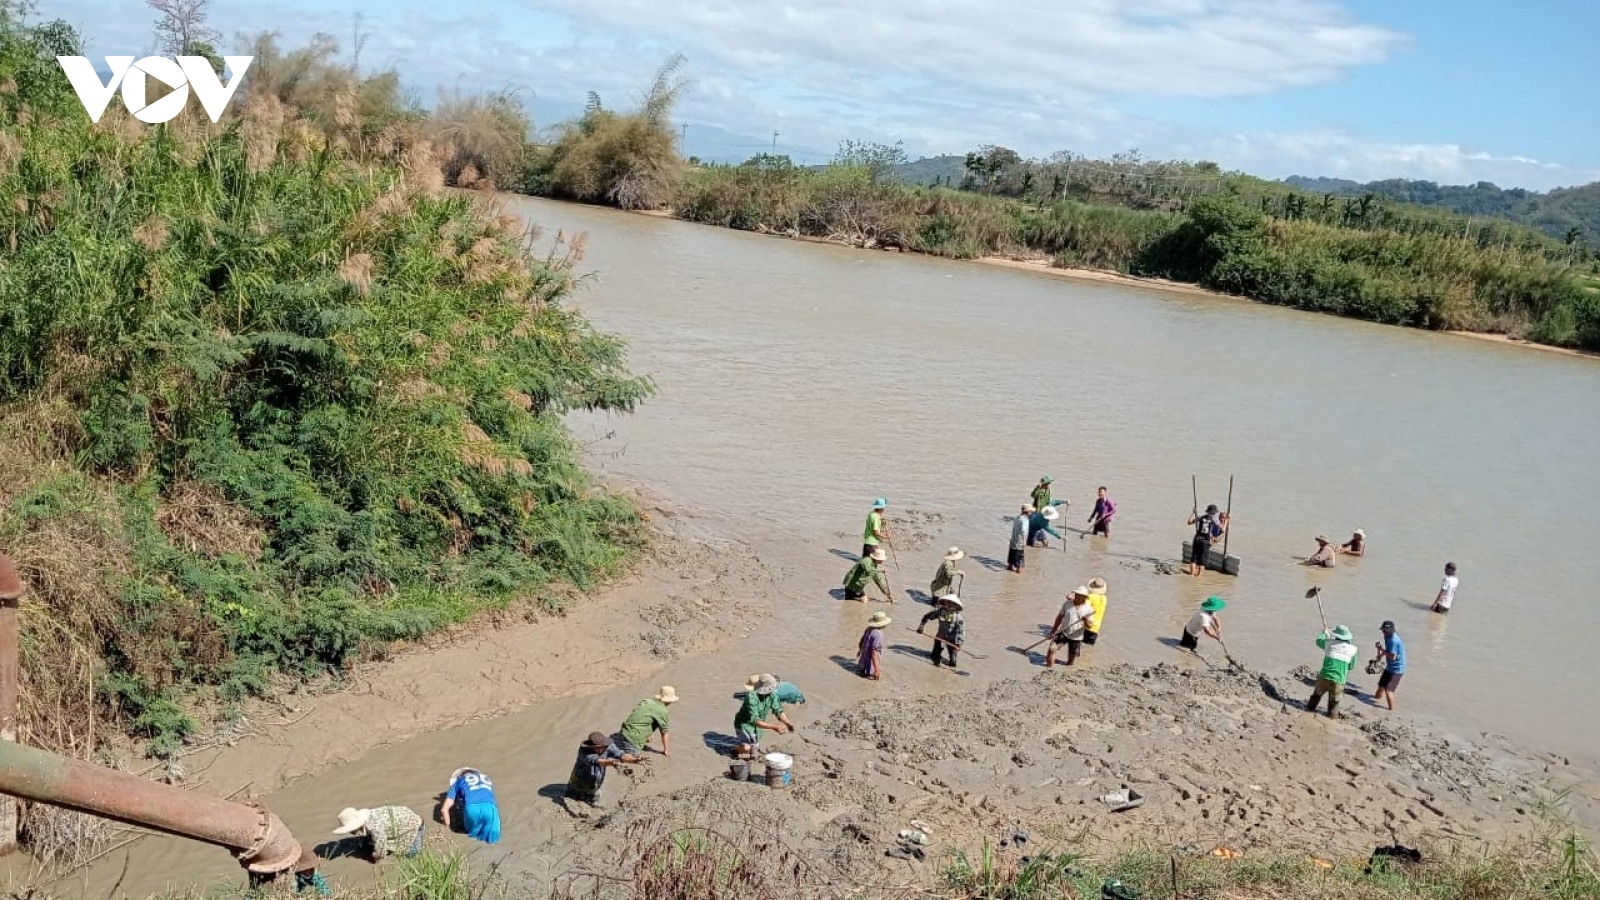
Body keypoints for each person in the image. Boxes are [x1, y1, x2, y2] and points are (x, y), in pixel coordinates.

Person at [566, 731, 642, 810]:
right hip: (578, 781)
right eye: (600, 747)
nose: (604, 748)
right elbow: (600, 762)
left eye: (604, 746)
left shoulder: (607, 746)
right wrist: (612, 762)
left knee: (593, 804)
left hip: (595, 784)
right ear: (593, 747)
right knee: (570, 800)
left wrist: (635, 760)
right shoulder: (584, 752)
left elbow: (621, 755)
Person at [332, 805, 425, 860]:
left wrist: (375, 857)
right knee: (372, 840)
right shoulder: (369, 815)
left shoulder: (374, 828)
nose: (350, 833)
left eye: (351, 830)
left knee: (411, 853)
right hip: (405, 816)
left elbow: (381, 852)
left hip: (415, 825)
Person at [1306, 625, 1360, 718]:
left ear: (1336, 636)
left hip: (1324, 677)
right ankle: (1332, 718)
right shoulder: (1353, 650)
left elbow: (1318, 641)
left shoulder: (1329, 643)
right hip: (1338, 681)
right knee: (1334, 703)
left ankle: (1308, 711)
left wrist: (1324, 633)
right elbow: (1351, 667)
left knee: (1316, 696)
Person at [734, 674, 792, 756]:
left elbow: (778, 710)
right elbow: (755, 720)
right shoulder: (751, 697)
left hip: (757, 726)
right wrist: (775, 727)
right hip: (744, 724)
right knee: (747, 748)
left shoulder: (772, 695)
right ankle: (734, 751)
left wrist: (788, 723)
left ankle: (751, 753)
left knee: (754, 745)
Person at [440, 767, 500, 844]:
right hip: (490, 808)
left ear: (459, 776)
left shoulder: (458, 782)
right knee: (493, 840)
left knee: (473, 838)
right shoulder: (486, 778)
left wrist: (447, 829)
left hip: (471, 808)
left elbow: (444, 810)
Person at [618, 685, 678, 757]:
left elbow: (641, 716)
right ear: (670, 700)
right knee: (633, 757)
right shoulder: (662, 711)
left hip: (623, 732)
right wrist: (666, 750)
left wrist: (648, 735)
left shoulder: (646, 701)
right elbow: (664, 732)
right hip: (632, 741)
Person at [917, 595, 966, 668]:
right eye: (947, 602)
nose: (949, 604)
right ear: (944, 603)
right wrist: (921, 626)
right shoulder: (940, 611)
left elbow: (960, 632)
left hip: (952, 641)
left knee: (953, 662)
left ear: (956, 606)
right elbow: (927, 616)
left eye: (952, 603)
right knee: (934, 656)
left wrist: (958, 644)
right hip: (940, 637)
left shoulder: (958, 618)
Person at [1186, 504, 1227, 576]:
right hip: (1206, 541)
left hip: (1197, 539)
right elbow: (1223, 530)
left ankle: (1191, 575)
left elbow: (1188, 522)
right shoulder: (1214, 520)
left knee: (1194, 558)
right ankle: (1198, 577)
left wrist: (1193, 513)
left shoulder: (1200, 517)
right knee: (1203, 561)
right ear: (1214, 512)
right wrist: (1226, 521)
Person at [1373, 621, 1405, 711]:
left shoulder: (1393, 640)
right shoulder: (1387, 637)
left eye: (1387, 631)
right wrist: (1380, 653)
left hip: (1397, 669)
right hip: (1389, 667)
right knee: (1381, 686)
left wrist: (1381, 649)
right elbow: (1389, 651)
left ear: (1392, 631)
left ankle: (1390, 711)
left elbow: (1392, 656)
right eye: (1383, 630)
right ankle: (1374, 702)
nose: (1384, 633)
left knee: (1389, 691)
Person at [856, 610, 891, 679]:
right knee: (872, 680)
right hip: (871, 664)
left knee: (861, 672)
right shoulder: (879, 634)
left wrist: (860, 651)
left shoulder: (868, 629)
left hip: (863, 661)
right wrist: (877, 670)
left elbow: (861, 641)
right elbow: (874, 652)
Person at [1083, 577, 1108, 645]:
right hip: (1095, 629)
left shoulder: (1090, 597)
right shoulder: (1104, 599)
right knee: (1088, 650)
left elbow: (1083, 609)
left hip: (1086, 627)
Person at [1007, 505, 1032, 572]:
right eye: (1031, 511)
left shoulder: (1017, 517)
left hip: (1013, 539)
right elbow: (1024, 531)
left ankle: (1010, 566)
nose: (1031, 513)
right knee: (1020, 557)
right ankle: (1018, 570)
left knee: (1012, 554)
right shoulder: (1025, 520)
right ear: (1027, 512)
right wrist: (1024, 541)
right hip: (1020, 541)